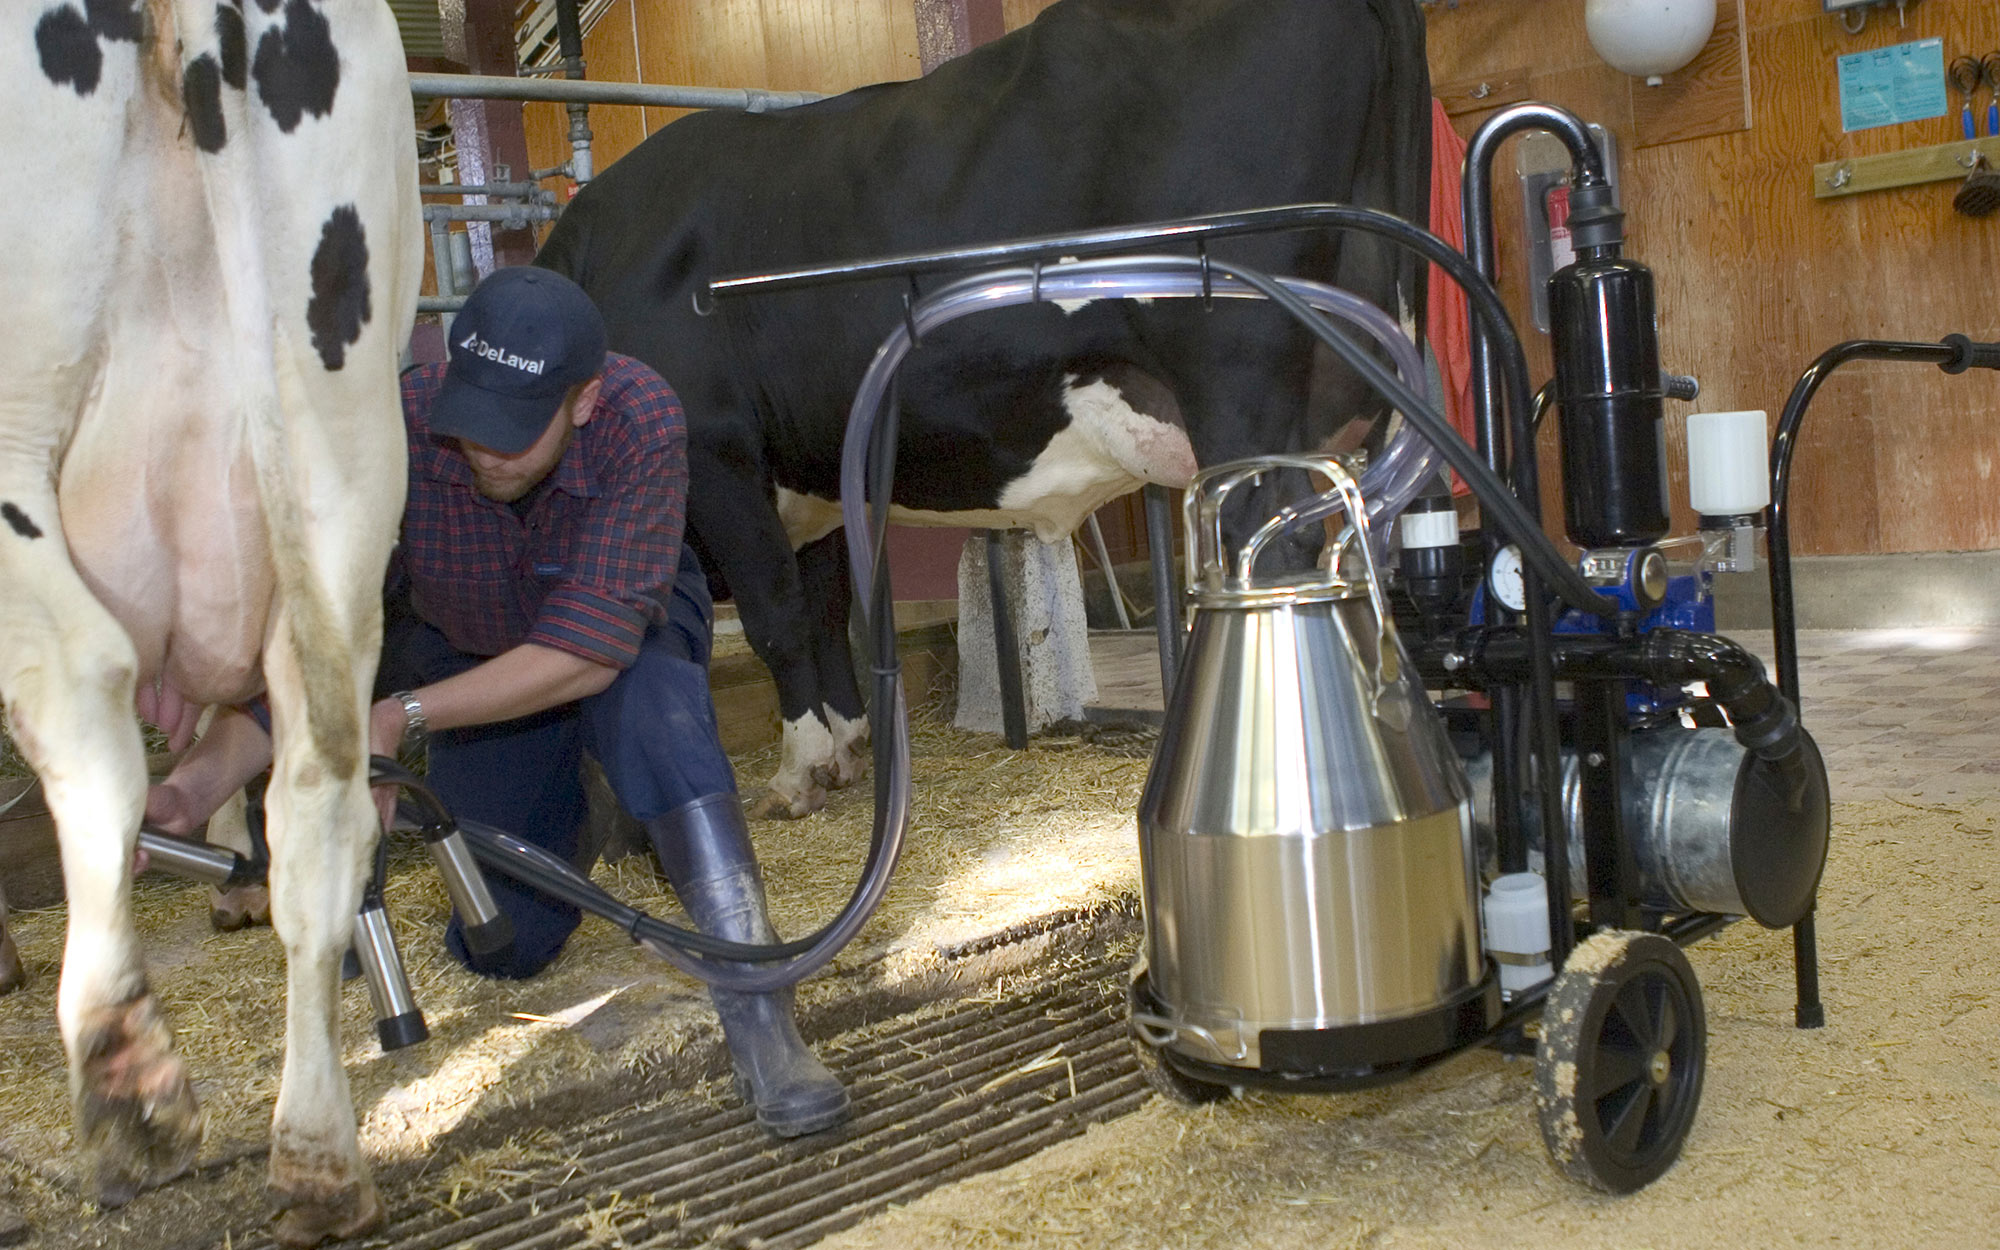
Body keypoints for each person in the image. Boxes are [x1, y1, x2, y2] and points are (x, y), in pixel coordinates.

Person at [146, 267, 848, 1138]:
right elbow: (326, 645)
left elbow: (587, 653)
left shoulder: (640, 417)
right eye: (470, 427)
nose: (483, 452)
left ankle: (761, 1017)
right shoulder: (404, 424)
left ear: (583, 400)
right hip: (465, 651)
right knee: (505, 947)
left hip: (614, 640)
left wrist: (400, 719)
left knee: (655, 718)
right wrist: (194, 786)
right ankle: (578, 812)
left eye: (513, 434)